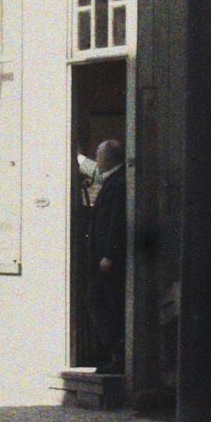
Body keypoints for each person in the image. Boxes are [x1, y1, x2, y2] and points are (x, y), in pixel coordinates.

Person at [86, 138, 128, 376]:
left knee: (105, 302)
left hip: (108, 260)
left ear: (107, 158)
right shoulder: (114, 180)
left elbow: (117, 220)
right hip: (103, 258)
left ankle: (118, 354)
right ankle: (114, 354)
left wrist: (109, 254)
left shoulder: (119, 182)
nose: (96, 159)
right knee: (102, 301)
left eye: (98, 155)